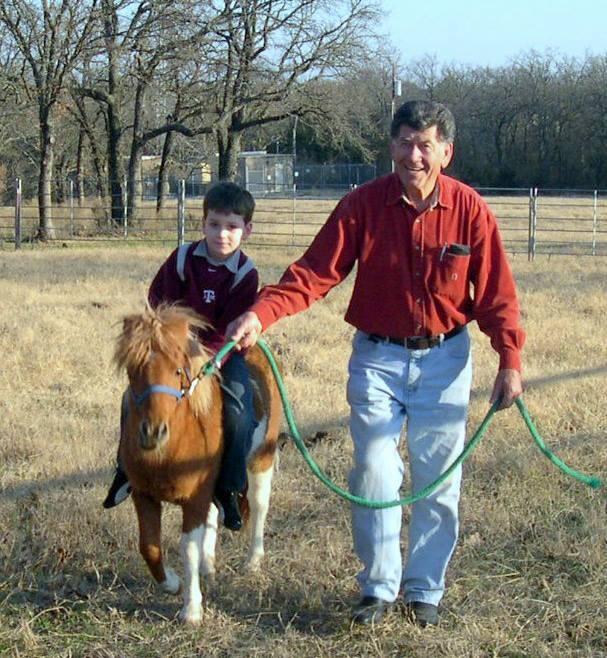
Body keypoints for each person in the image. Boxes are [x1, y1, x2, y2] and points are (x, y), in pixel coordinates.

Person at [226, 100, 525, 627]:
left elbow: (497, 293)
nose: (414, 155)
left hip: (446, 359)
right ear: (391, 146)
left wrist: (510, 359)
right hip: (378, 358)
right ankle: (379, 586)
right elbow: (312, 274)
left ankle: (425, 589)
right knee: (374, 472)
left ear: (446, 153)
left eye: (425, 144)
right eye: (405, 142)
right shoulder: (362, 206)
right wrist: (260, 315)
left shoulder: (471, 210)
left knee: (437, 479)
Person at [103, 181, 259, 532]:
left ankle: (229, 487)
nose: (222, 234)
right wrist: (166, 341)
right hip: (173, 350)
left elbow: (234, 325)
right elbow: (158, 301)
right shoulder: (182, 259)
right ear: (203, 223)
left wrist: (209, 358)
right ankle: (125, 471)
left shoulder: (245, 275)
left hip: (221, 352)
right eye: (215, 224)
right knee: (134, 399)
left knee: (238, 411)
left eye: (232, 226)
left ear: (246, 230)